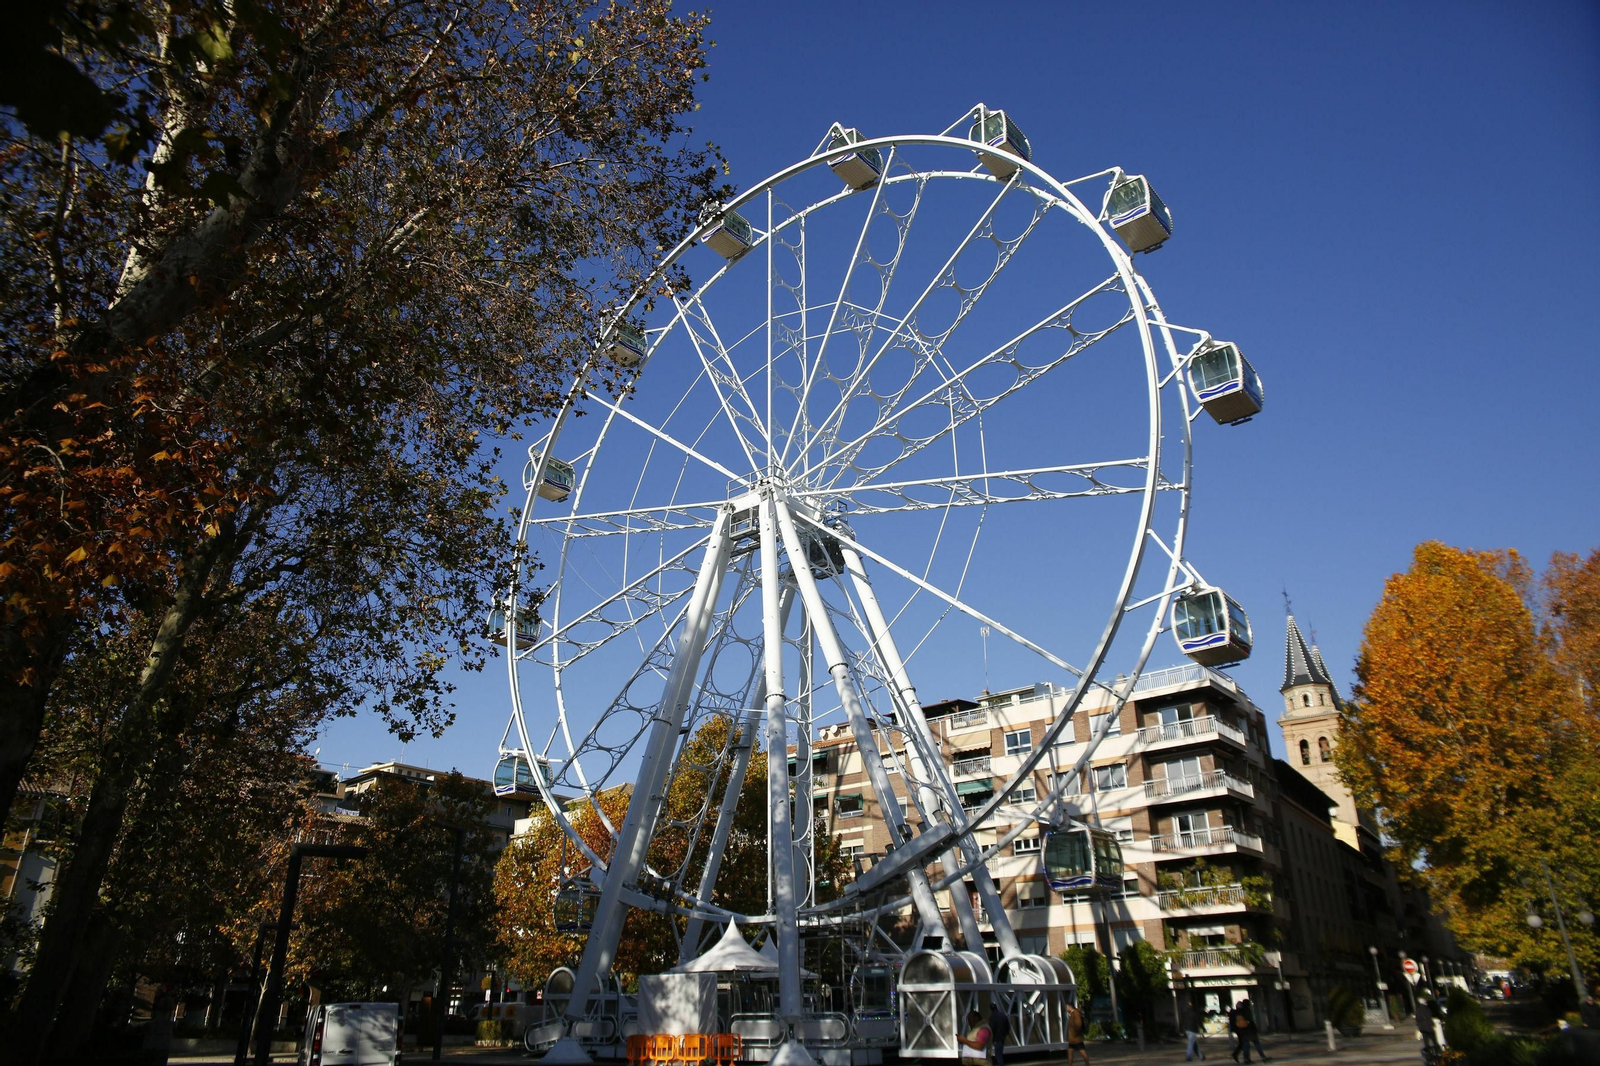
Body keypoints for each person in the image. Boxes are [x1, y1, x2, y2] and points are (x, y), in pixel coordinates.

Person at [1065, 1000, 1090, 1065]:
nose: (1066, 1009)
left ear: (1070, 1007)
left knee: (1083, 1053)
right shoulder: (1072, 1014)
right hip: (1072, 1039)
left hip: (1076, 1039)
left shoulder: (1076, 1013)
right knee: (1070, 1053)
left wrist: (1076, 1033)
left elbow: (1079, 1024)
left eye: (1067, 1007)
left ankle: (1087, 1064)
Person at [987, 999, 1011, 1066]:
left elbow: (991, 1028)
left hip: (996, 1038)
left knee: (998, 1054)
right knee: (1000, 1052)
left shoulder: (992, 1017)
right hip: (1002, 1037)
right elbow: (1008, 1026)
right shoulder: (1003, 1015)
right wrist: (1005, 1034)